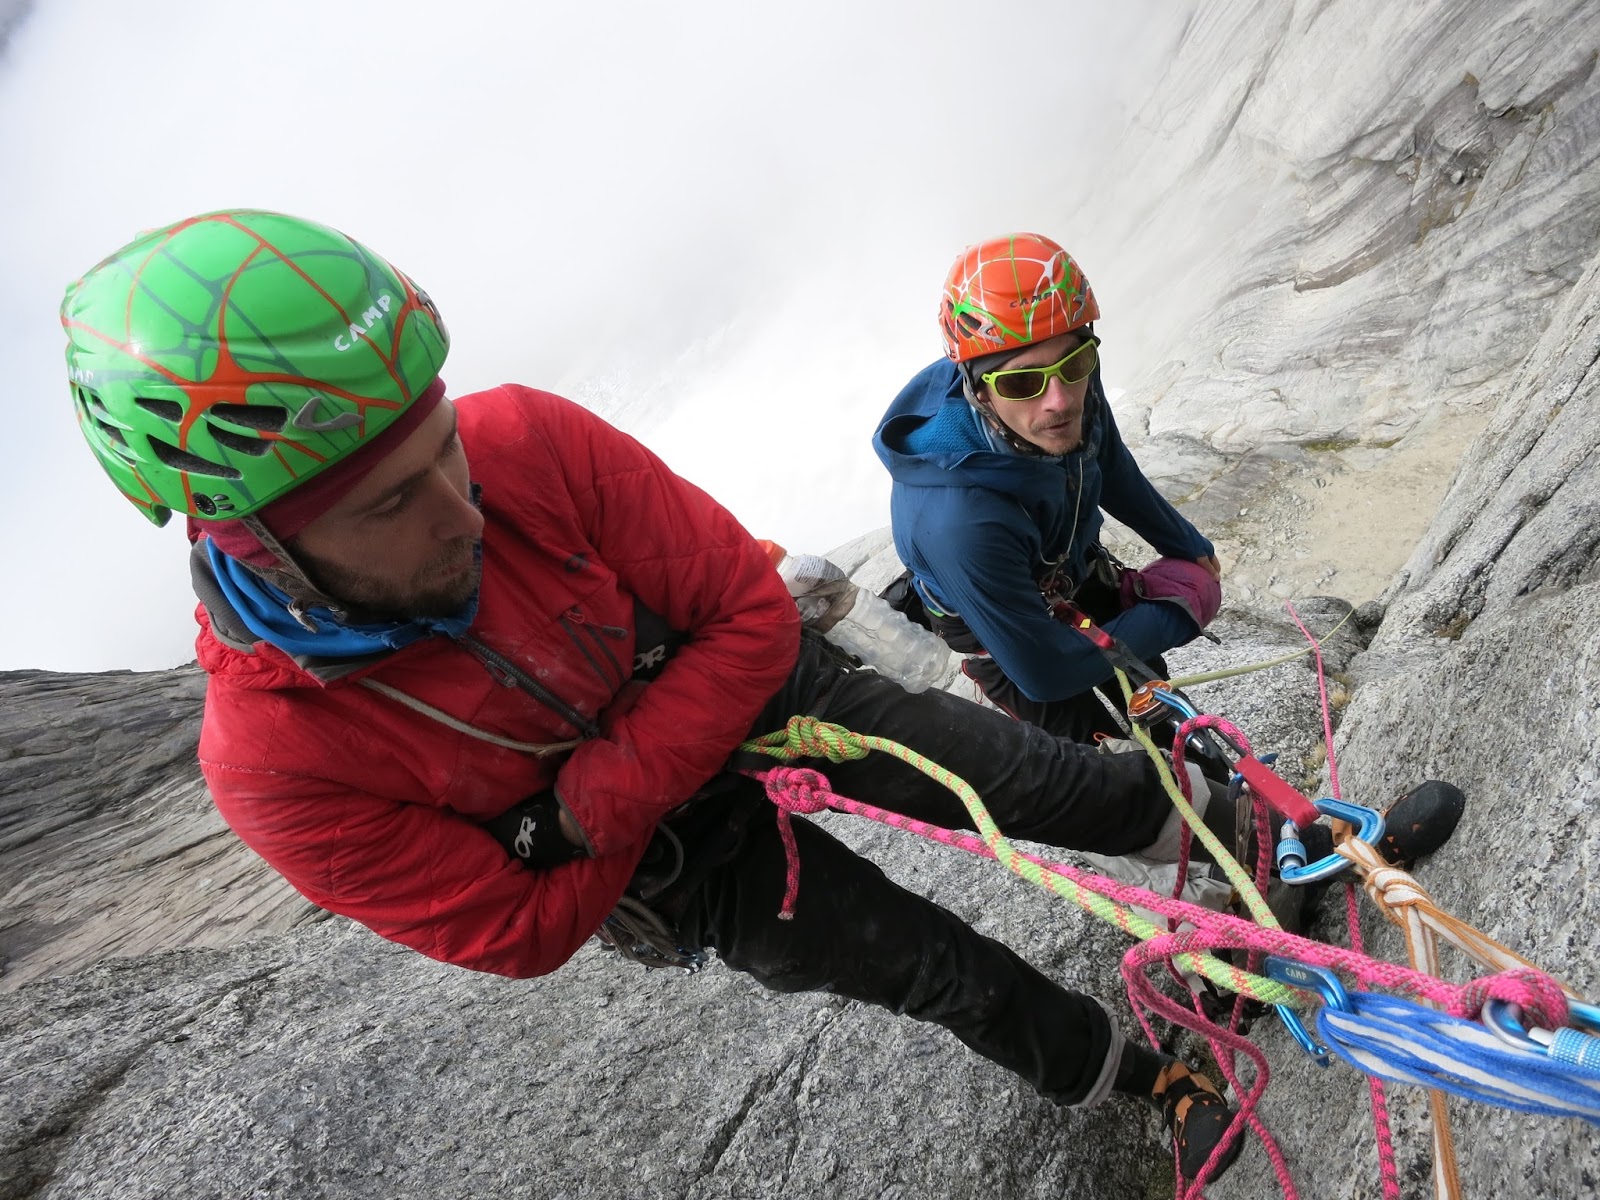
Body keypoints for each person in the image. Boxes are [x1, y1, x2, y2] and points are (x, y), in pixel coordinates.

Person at [63, 211, 1258, 1182]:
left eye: (442, 446)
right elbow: (516, 933)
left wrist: (582, 806)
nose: (462, 508)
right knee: (923, 966)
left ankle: (1253, 837)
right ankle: (1145, 1081)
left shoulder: (524, 438)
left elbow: (745, 610)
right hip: (680, 864)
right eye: (389, 504)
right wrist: (671, 733)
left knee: (1015, 775)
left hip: (656, 801)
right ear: (255, 540)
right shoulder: (277, 760)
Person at [874, 233, 1224, 746]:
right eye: (1022, 383)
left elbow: (1107, 462)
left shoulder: (1066, 367)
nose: (1059, 401)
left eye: (1075, 366)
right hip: (1006, 637)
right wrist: (1180, 609)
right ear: (976, 384)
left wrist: (1186, 545)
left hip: (1071, 572)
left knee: (1165, 717)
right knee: (1107, 771)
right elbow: (1045, 673)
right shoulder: (958, 521)